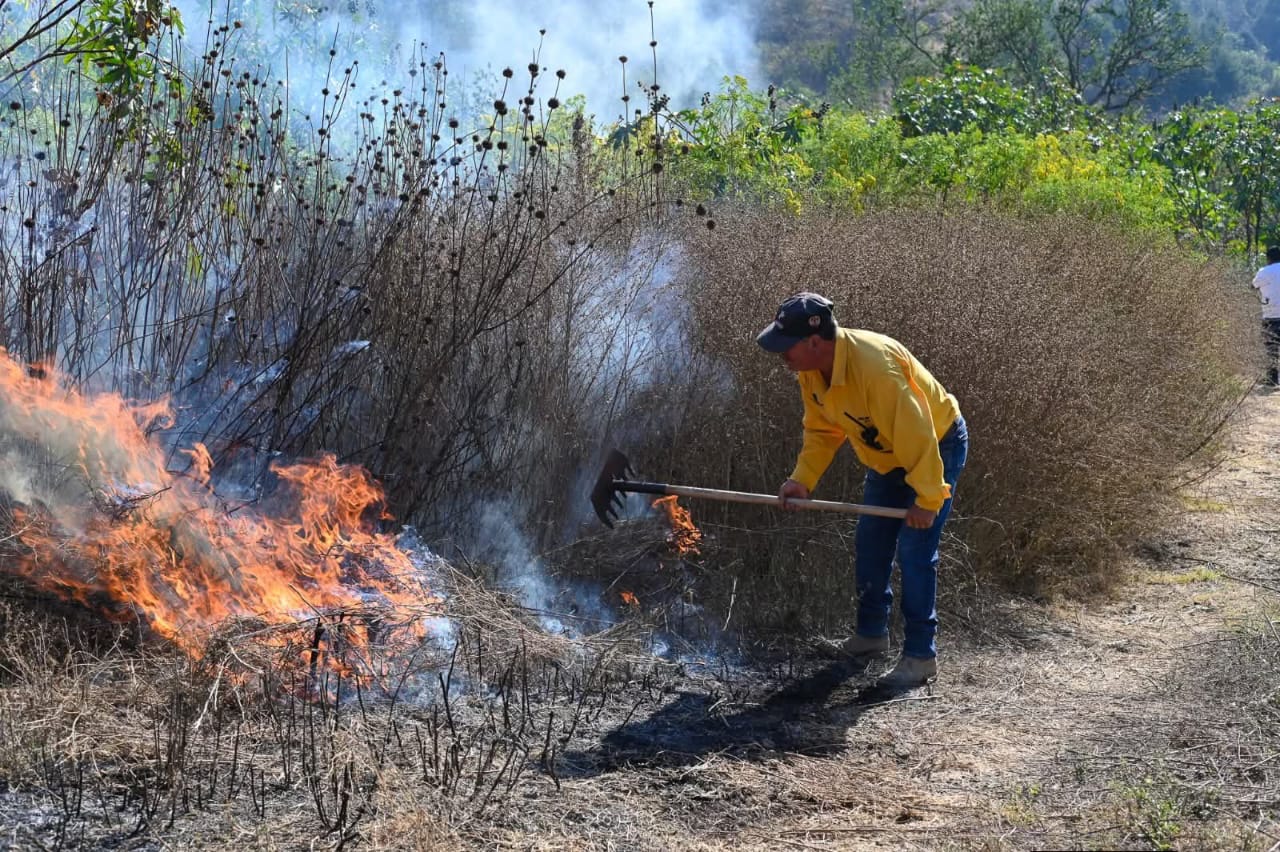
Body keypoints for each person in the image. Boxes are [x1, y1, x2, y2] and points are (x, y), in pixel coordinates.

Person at [756, 292, 968, 688]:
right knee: (871, 542)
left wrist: (926, 498)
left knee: (915, 550)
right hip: (885, 457)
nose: (782, 356)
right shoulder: (810, 371)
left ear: (815, 342)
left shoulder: (876, 369)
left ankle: (920, 657)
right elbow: (822, 429)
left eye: (788, 347)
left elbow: (917, 434)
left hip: (936, 444)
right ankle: (871, 636)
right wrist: (803, 479)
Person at [1253, 245, 1280, 388]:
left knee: (1271, 349)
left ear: (1269, 258)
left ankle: (1272, 379)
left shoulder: (1264, 271)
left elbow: (1253, 286)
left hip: (1271, 315)